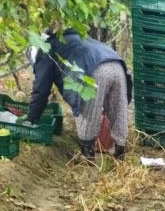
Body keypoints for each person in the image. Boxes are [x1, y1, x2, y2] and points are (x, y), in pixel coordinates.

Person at [27, 30, 131, 159]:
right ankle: (121, 153)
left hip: (94, 70)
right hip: (116, 64)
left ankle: (88, 156)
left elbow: (41, 91)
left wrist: (31, 119)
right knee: (118, 109)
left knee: (87, 112)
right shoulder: (75, 37)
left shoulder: (45, 49)